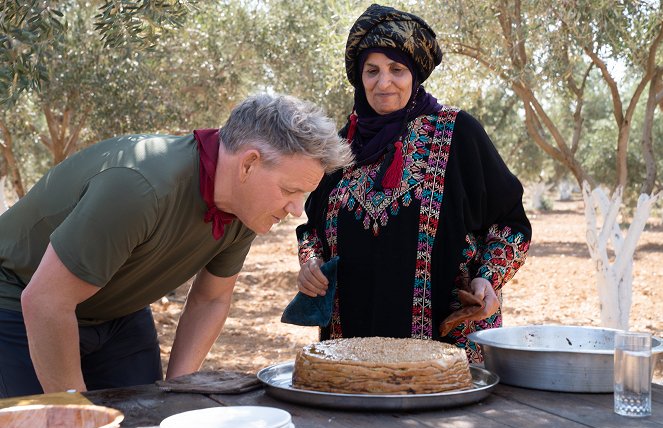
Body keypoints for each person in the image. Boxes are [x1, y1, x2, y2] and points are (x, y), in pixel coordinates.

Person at [0, 93, 353, 398]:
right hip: (18, 300)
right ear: (248, 164)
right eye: (290, 191)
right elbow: (45, 301)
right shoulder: (140, 187)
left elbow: (211, 298)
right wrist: (74, 413)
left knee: (148, 419)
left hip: (116, 311)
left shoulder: (246, 208)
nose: (296, 210)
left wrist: (177, 391)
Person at [295, 4, 531, 363]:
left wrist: (488, 278)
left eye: (396, 69)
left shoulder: (458, 133)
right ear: (359, 77)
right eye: (371, 71)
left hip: (446, 349)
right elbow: (312, 229)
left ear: (415, 75)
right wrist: (311, 265)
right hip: (352, 350)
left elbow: (511, 224)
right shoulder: (340, 147)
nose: (383, 82)